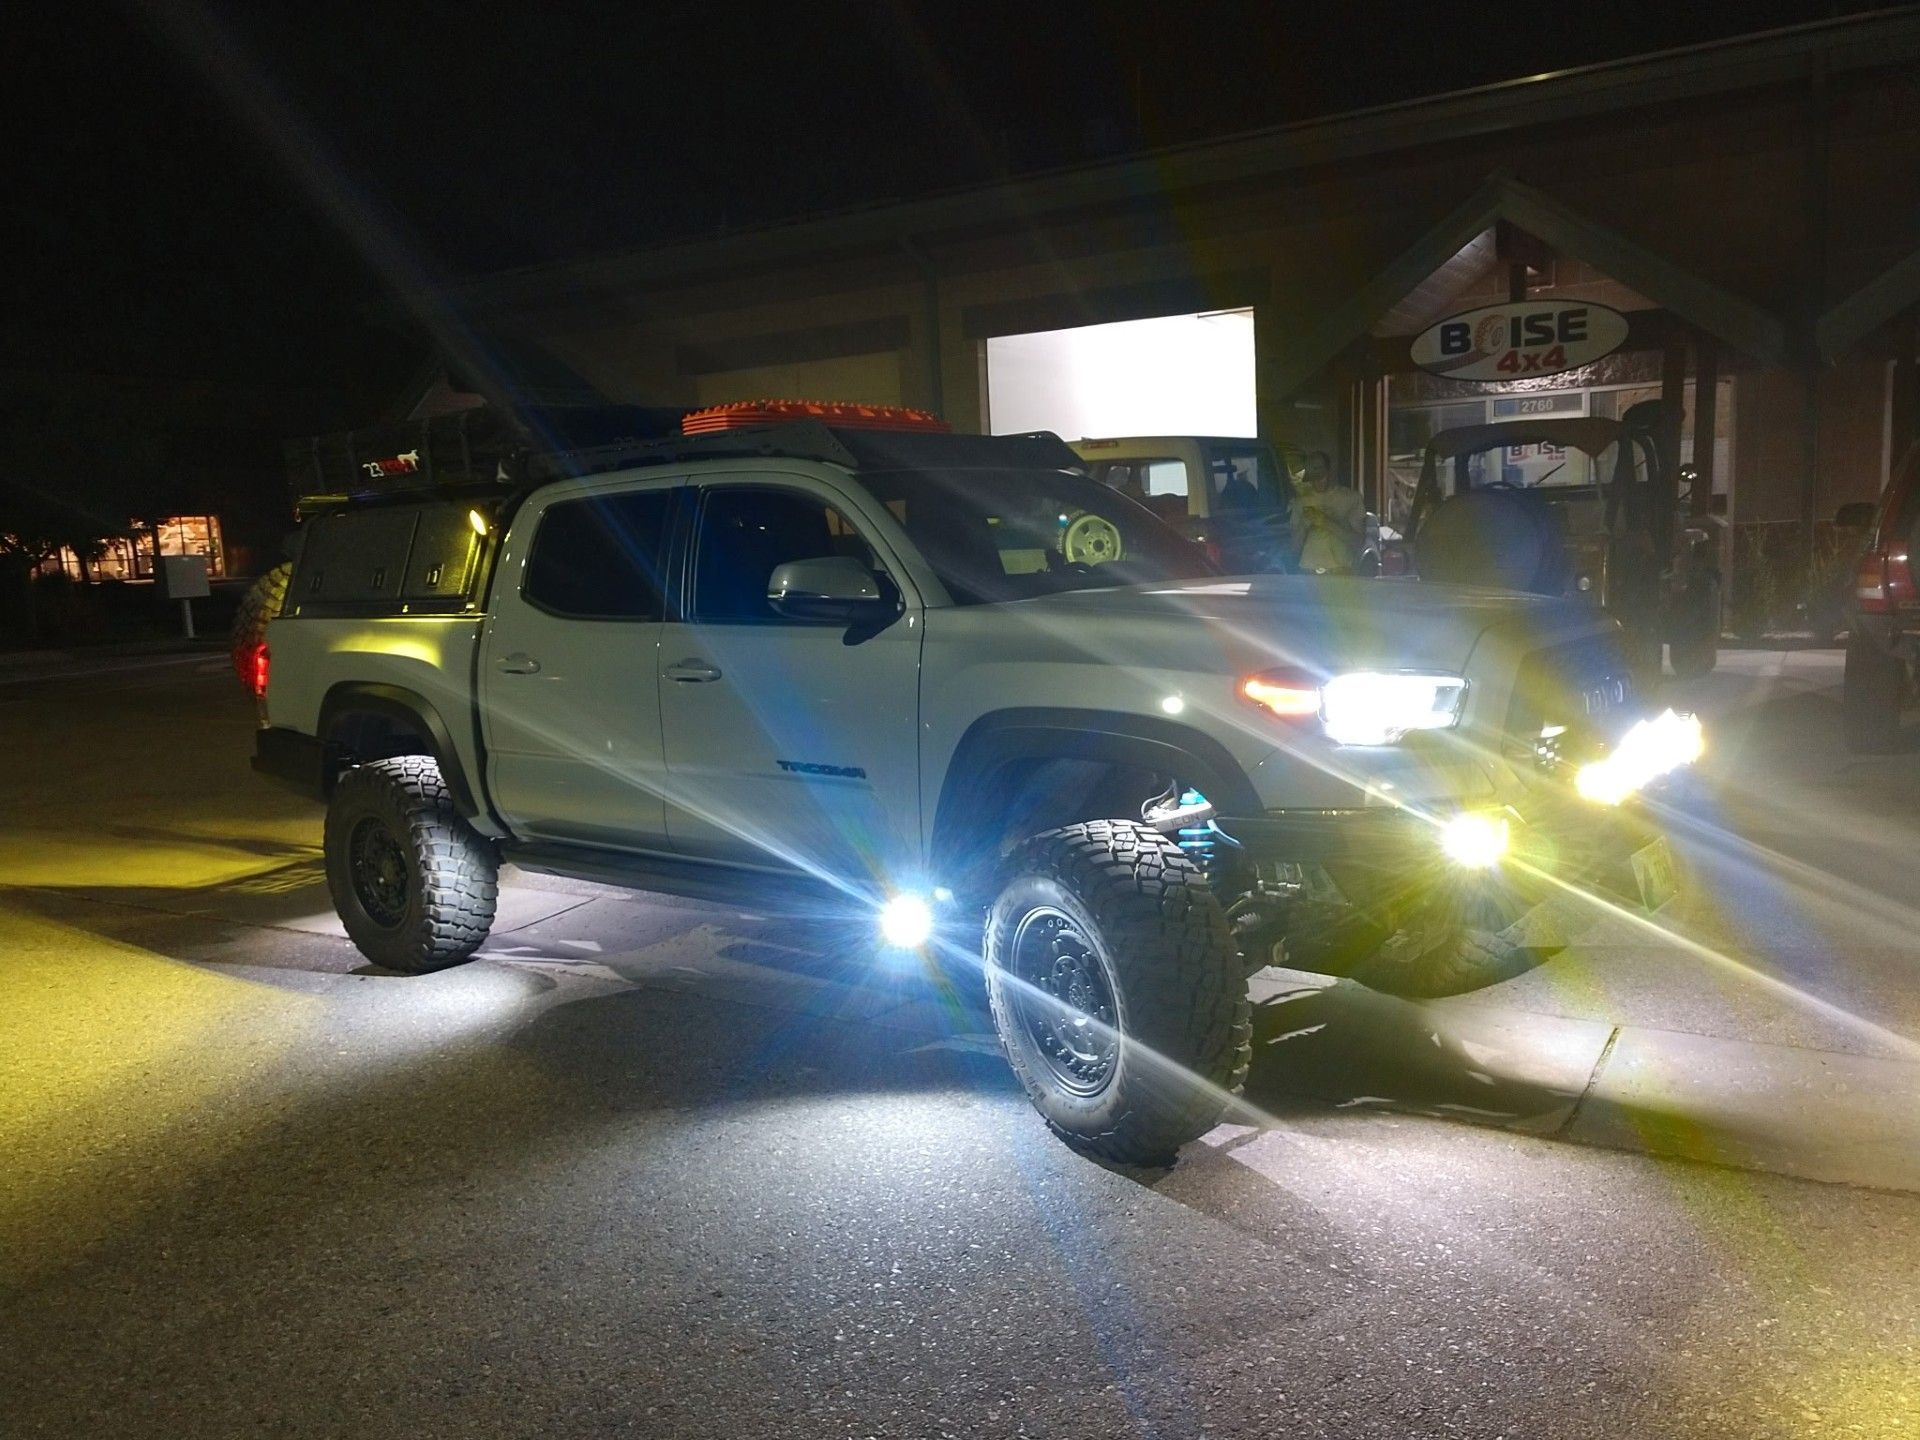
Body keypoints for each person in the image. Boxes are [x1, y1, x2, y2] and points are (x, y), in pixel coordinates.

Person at [1290, 451, 1366, 574]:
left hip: (1340, 571)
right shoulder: (1301, 501)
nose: (1317, 477)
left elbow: (1358, 542)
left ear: (1329, 470)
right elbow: (1294, 548)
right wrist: (1303, 525)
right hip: (1309, 572)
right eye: (1312, 471)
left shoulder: (1350, 498)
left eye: (1320, 470)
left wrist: (1327, 522)